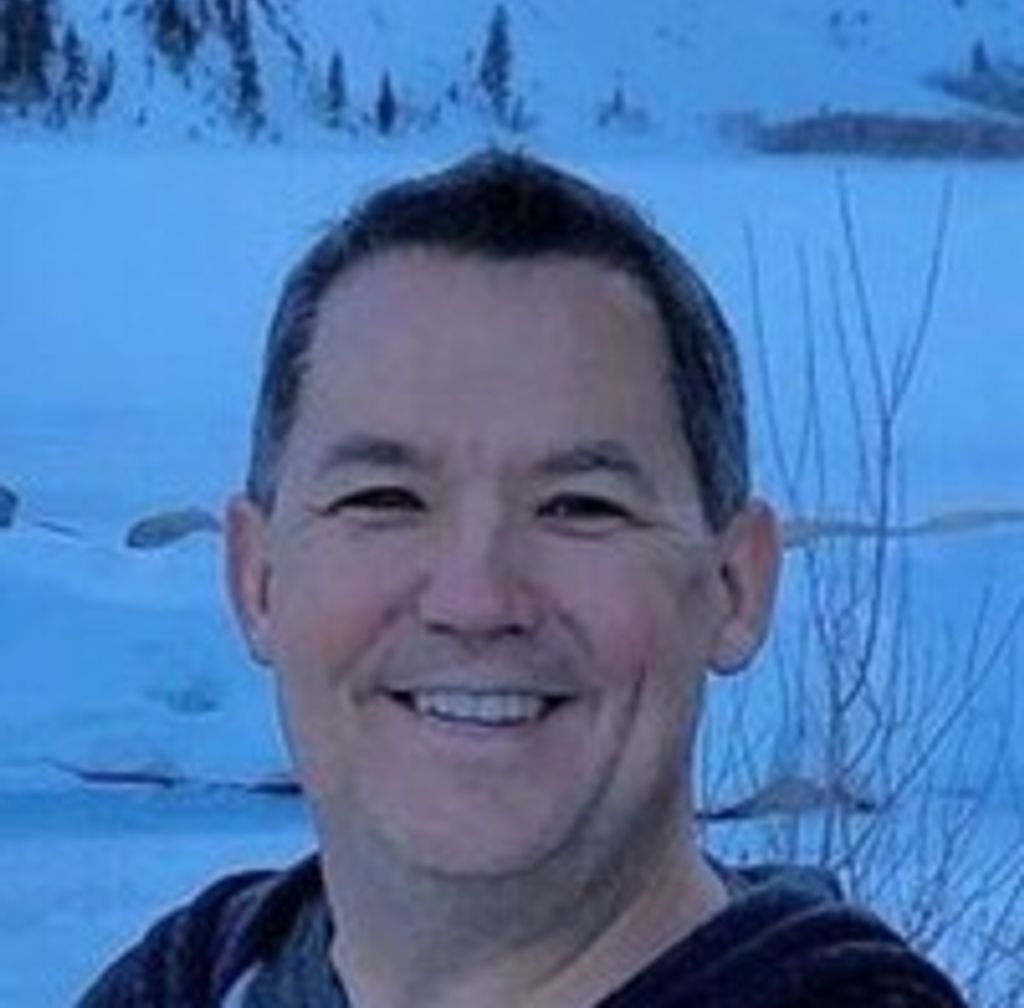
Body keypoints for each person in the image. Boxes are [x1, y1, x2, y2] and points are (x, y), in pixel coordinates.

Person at [78, 152, 966, 1007]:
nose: (475, 601)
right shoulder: (182, 986)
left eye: (579, 507)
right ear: (256, 578)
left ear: (735, 587)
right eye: (384, 498)